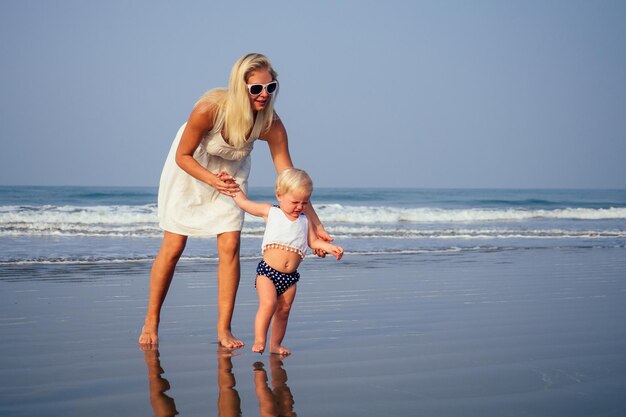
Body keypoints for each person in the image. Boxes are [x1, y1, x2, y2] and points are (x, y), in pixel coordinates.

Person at [138, 53, 333, 348]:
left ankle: (223, 330)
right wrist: (211, 179)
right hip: (191, 169)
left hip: (230, 175)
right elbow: (182, 156)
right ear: (240, 88)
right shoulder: (209, 109)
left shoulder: (271, 124)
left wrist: (316, 226)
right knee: (174, 245)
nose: (264, 94)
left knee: (230, 245)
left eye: (271, 87)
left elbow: (290, 178)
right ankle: (151, 320)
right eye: (256, 89)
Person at [232, 168, 343, 355]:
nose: (299, 207)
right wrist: (233, 187)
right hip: (267, 273)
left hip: (290, 278)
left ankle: (275, 345)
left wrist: (330, 248)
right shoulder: (271, 212)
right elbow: (244, 203)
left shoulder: (305, 220)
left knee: (284, 311)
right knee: (268, 304)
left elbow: (314, 242)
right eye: (294, 202)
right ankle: (260, 340)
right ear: (279, 195)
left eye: (304, 202)